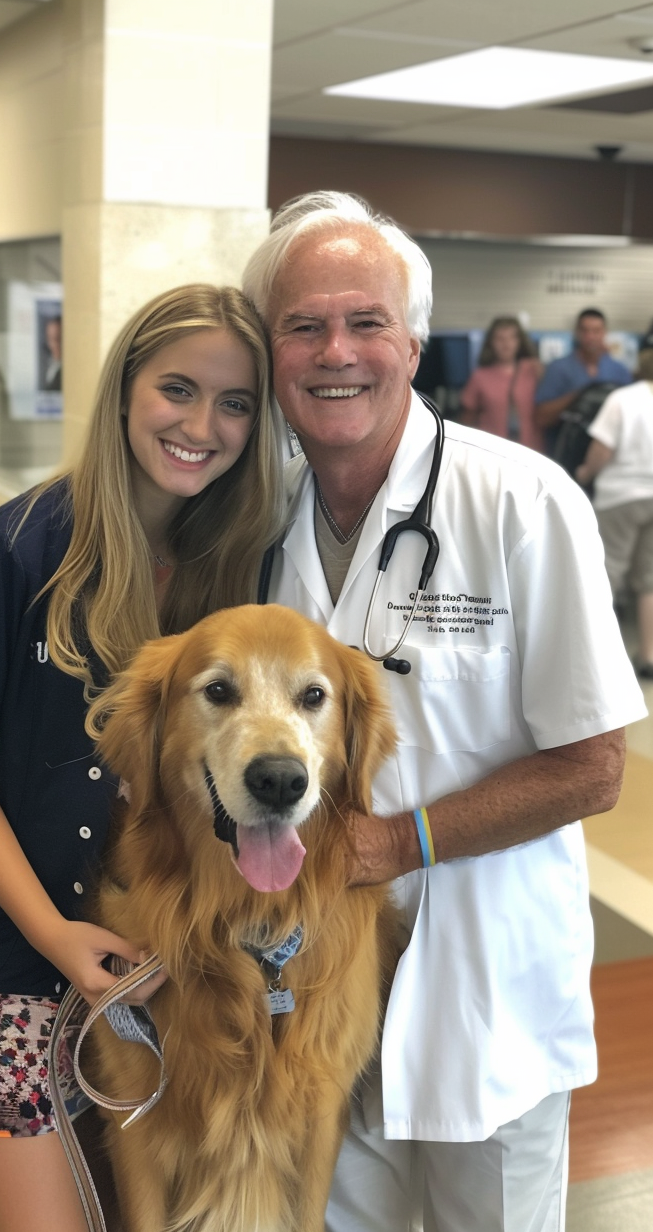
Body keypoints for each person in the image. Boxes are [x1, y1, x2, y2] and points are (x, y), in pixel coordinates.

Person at [242, 191, 646, 1232]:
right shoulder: (254, 525)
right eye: (303, 324)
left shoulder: (520, 500)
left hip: (481, 988)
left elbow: (593, 765)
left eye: (366, 320)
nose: (337, 350)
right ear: (271, 348)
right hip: (315, 985)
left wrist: (394, 842)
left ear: (413, 342)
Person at [0, 284, 283, 1232]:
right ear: (123, 390)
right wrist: (52, 935)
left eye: (235, 404)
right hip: (3, 970)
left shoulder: (232, 573)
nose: (203, 425)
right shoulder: (16, 551)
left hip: (157, 975)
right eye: (178, 389)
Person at [575, 348, 653, 679]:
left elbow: (602, 448)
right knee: (648, 580)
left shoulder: (623, 398)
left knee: (606, 577)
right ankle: (648, 656)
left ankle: (601, 662)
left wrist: (584, 474)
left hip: (620, 497)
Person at [534, 307, 632, 455]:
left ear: (604, 333)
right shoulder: (558, 368)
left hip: (606, 457)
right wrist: (582, 395)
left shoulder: (619, 371)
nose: (590, 336)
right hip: (565, 453)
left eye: (596, 331)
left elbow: (631, 418)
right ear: (577, 333)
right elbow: (541, 418)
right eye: (585, 331)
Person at [459, 316, 543, 450]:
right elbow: (468, 418)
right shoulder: (480, 376)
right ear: (491, 343)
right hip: (492, 450)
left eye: (511, 338)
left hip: (531, 450)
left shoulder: (534, 370)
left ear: (520, 341)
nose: (506, 344)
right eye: (500, 339)